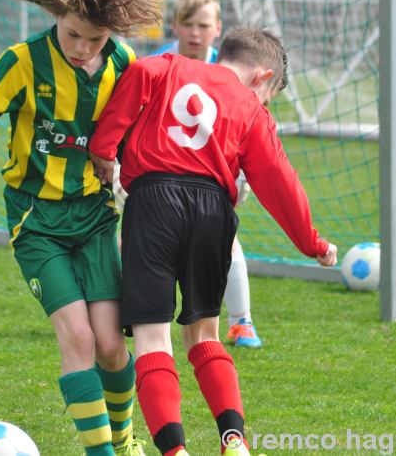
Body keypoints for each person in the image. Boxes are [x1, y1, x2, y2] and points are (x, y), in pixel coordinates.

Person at [0, 0, 163, 456]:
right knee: (78, 338)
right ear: (57, 13)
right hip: (36, 222)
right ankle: (100, 452)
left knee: (110, 346)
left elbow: (137, 133)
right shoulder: (22, 62)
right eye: (73, 33)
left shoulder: (123, 64)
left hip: (95, 218)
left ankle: (125, 442)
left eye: (95, 38)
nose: (82, 47)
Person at [89, 28, 338, 456]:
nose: (264, 104)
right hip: (212, 210)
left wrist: (104, 148)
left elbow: (140, 71)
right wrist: (311, 242)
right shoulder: (250, 109)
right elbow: (279, 181)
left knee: (152, 339)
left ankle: (174, 451)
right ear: (261, 77)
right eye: (269, 96)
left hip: (153, 200)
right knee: (205, 334)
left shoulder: (169, 66)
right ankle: (234, 441)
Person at [152, 0, 262, 348]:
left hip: (214, 174)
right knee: (140, 241)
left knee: (225, 239)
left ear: (218, 29)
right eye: (188, 24)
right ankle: (144, 315)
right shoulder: (158, 65)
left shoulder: (229, 72)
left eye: (204, 26)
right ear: (175, 26)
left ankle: (241, 321)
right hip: (164, 175)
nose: (195, 33)